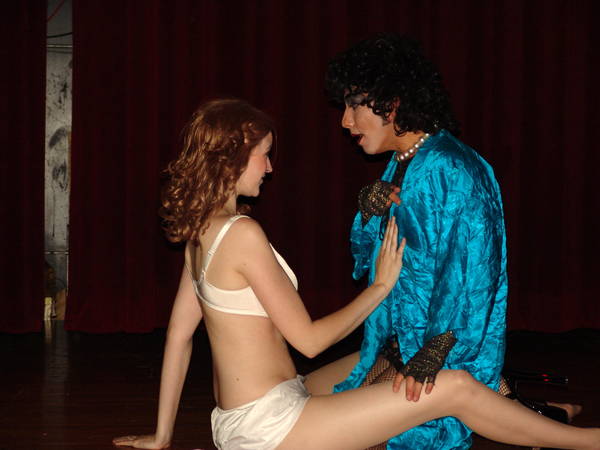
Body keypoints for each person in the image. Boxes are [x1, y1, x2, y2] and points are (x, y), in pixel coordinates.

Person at [113, 99, 599, 450]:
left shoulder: (201, 230)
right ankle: (588, 441)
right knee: (451, 386)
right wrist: (381, 287)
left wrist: (163, 434)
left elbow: (179, 336)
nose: (270, 167)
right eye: (264, 153)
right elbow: (309, 341)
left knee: (392, 354)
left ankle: (533, 412)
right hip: (272, 427)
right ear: (234, 156)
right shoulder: (242, 234)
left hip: (247, 414)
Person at [325, 33, 579, 450]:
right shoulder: (401, 162)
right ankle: (541, 415)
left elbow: (473, 274)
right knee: (331, 424)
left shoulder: (454, 169)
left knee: (354, 438)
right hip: (398, 343)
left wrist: (436, 349)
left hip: (434, 350)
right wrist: (369, 214)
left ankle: (548, 423)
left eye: (354, 106)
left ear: (392, 104)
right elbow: (372, 263)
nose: (345, 121)